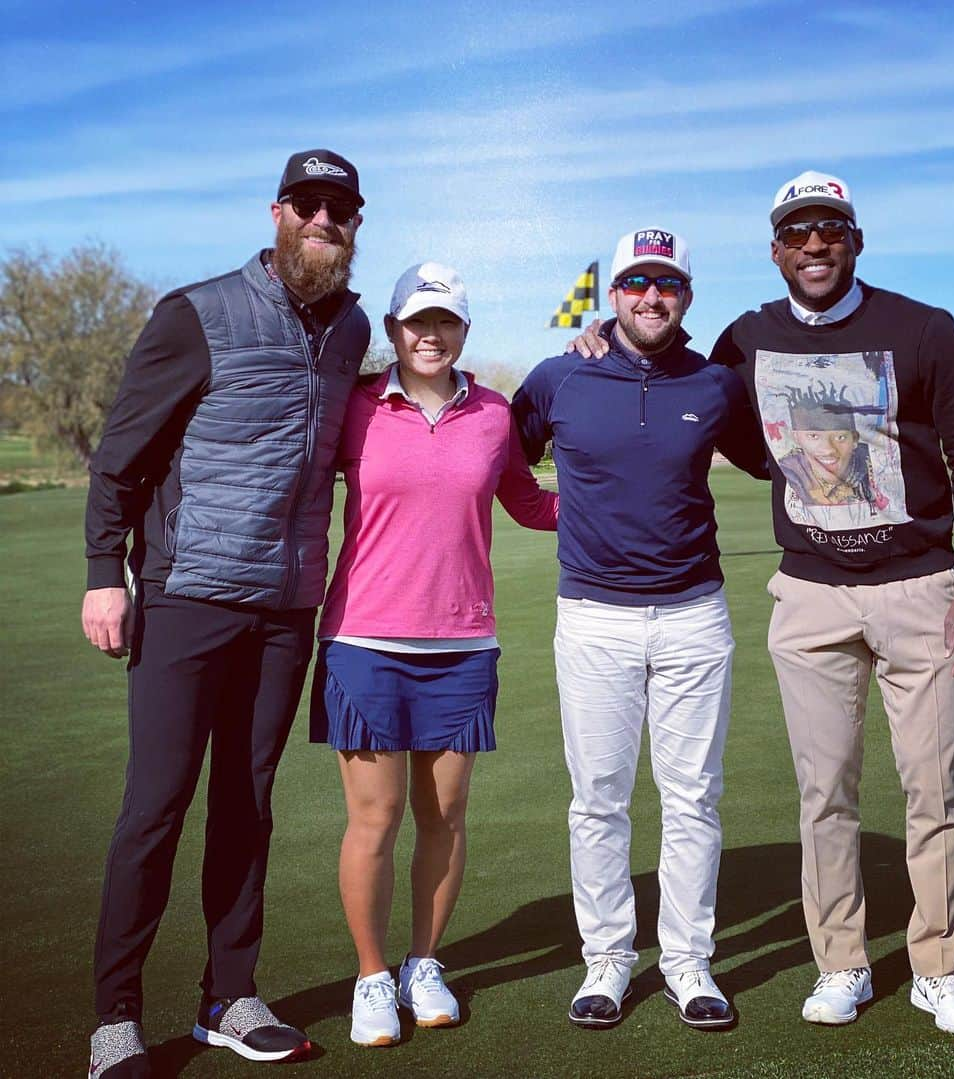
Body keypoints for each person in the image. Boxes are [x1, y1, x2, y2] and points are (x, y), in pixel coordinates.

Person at [81, 149, 370, 1076]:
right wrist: (103, 573)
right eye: (312, 204)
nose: (327, 220)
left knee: (248, 805)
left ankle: (230, 996)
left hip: (287, 608)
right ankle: (115, 1018)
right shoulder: (195, 314)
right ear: (280, 211)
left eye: (344, 209)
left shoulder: (352, 326)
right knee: (155, 807)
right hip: (186, 596)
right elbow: (121, 456)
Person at [708, 170, 954, 1034]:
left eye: (830, 229)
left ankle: (938, 967)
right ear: (775, 250)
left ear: (856, 240)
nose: (814, 246)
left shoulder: (921, 328)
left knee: (934, 793)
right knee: (825, 793)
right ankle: (842, 962)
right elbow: (716, 410)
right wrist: (598, 338)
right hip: (809, 596)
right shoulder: (747, 337)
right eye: (797, 233)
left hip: (921, 592)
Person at [512, 229, 770, 1031]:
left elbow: (774, 459)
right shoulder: (560, 376)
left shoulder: (715, 382)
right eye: (635, 283)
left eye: (666, 283)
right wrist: (561, 516)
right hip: (593, 620)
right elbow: (503, 457)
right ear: (613, 294)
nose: (650, 296)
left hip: (695, 616)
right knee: (599, 800)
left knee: (693, 799)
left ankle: (689, 962)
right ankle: (609, 959)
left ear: (685, 296)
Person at [312, 263, 559, 1047]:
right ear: (392, 331)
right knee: (376, 818)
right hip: (364, 641)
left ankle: (425, 962)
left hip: (462, 645)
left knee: (445, 815)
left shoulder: (491, 413)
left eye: (445, 321)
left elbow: (527, 501)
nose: (430, 334)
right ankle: (373, 975)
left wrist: (628, 496)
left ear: (463, 332)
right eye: (416, 321)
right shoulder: (356, 408)